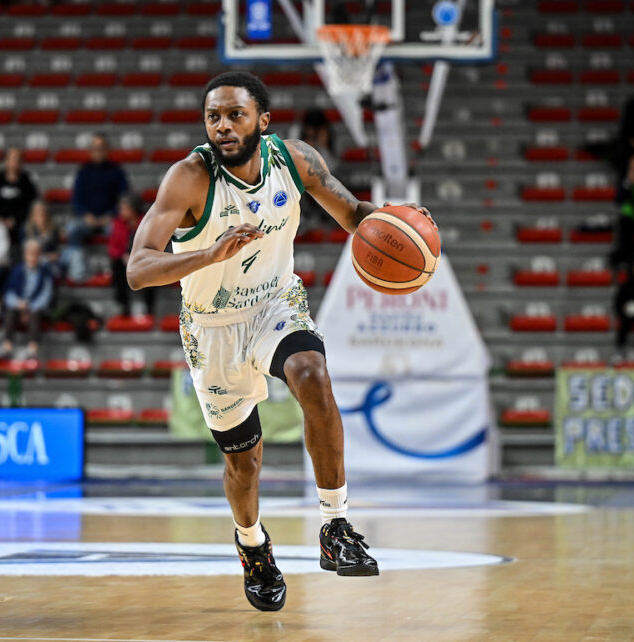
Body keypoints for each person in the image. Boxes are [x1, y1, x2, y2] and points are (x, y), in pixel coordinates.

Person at [127, 72, 434, 612]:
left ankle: (335, 525)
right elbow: (138, 268)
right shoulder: (189, 178)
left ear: (262, 121)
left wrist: (401, 222)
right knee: (244, 464)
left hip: (275, 303)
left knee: (313, 375)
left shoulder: (296, 161)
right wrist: (207, 255)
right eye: (213, 117)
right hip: (211, 326)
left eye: (235, 115)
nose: (222, 126)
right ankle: (253, 547)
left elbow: (355, 215)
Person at [66, 133, 129, 281]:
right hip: (87, 219)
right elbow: (76, 199)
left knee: (118, 231)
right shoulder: (83, 172)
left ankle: (115, 270)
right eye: (95, 148)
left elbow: (124, 198)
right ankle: (78, 271)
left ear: (107, 149)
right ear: (90, 150)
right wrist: (86, 215)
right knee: (72, 229)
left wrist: (111, 215)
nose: (98, 151)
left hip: (110, 219)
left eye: (101, 148)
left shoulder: (117, 172)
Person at [0, 239, 53, 359]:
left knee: (35, 315)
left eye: (36, 253)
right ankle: (7, 348)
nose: (33, 257)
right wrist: (19, 304)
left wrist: (29, 308)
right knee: (10, 313)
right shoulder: (16, 270)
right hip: (18, 305)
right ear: (25, 254)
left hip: (34, 308)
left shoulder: (45, 273)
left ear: (40, 255)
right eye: (31, 253)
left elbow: (45, 295)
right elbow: (9, 292)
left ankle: (32, 350)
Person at [0, 147, 38, 262]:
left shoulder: (27, 182)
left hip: (19, 223)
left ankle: (24, 263)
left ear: (22, 163)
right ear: (6, 161)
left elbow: (31, 207)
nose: (14, 163)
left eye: (18, 160)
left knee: (27, 229)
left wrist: (14, 220)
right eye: (12, 159)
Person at [109, 194, 154, 317]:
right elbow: (113, 247)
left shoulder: (146, 222)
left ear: (134, 208)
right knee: (116, 265)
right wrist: (123, 255)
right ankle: (123, 306)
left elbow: (153, 245)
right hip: (124, 260)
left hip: (144, 259)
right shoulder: (118, 223)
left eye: (125, 208)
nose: (121, 212)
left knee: (150, 270)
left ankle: (149, 307)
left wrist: (137, 257)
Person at [25, 199, 62, 279]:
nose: (40, 215)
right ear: (32, 215)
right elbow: (26, 250)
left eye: (42, 213)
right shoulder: (26, 229)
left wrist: (49, 256)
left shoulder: (53, 230)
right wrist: (41, 257)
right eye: (37, 213)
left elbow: (55, 251)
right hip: (31, 259)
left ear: (46, 214)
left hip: (48, 261)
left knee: (54, 270)